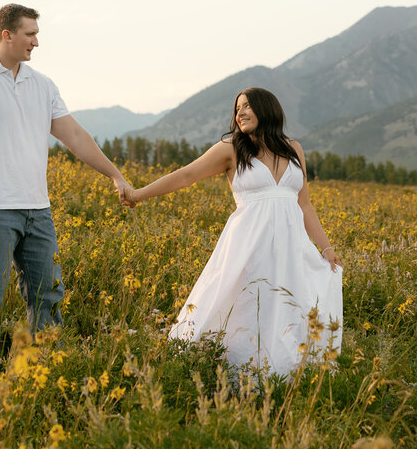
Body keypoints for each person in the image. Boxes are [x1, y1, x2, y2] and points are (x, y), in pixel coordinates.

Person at [0, 4, 134, 375]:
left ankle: (44, 374)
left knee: (48, 295)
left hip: (37, 210)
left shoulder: (42, 85)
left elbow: (75, 135)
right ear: (7, 35)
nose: (36, 42)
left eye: (37, 34)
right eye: (30, 34)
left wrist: (115, 174)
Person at [125, 87, 342, 377]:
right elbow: (186, 175)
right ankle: (235, 372)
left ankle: (286, 374)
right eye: (237, 108)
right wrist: (139, 194)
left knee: (289, 307)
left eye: (247, 106)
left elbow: (304, 204)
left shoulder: (293, 149)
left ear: (267, 109)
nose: (240, 113)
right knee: (246, 308)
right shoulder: (230, 150)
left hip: (291, 250)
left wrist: (326, 249)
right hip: (248, 246)